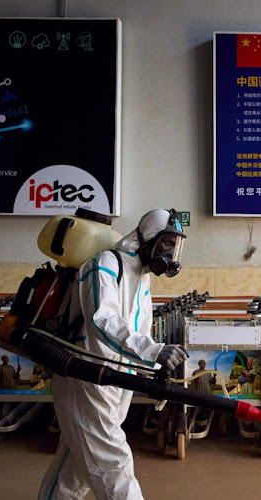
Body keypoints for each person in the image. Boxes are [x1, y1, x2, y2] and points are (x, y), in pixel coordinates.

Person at [38, 208, 188, 500]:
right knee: (112, 464)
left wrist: (154, 371)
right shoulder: (105, 263)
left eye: (176, 245)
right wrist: (154, 351)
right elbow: (102, 321)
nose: (171, 253)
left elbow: (139, 332)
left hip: (118, 383)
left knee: (75, 467)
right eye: (167, 243)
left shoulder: (142, 278)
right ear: (147, 238)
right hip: (88, 377)